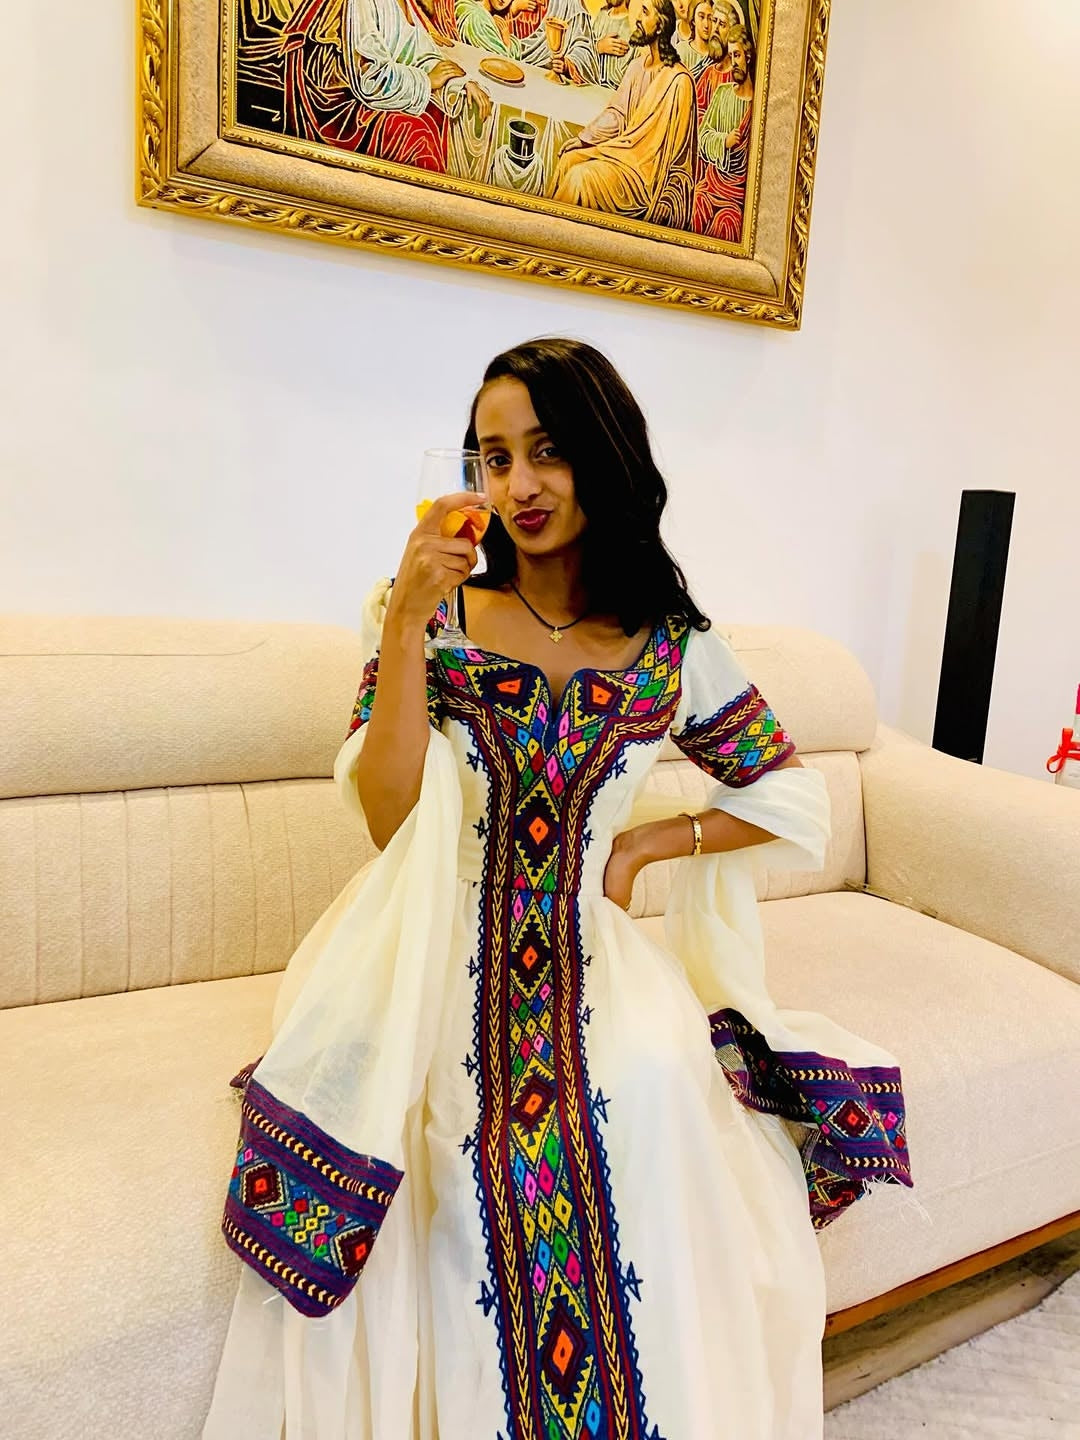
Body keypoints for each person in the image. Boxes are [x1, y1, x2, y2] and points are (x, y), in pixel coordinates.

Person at [202, 338, 913, 1440]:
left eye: (547, 452)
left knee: (647, 1088)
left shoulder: (669, 648)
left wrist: (640, 851)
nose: (518, 485)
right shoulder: (429, 617)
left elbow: (788, 796)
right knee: (447, 1131)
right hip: (435, 949)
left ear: (603, 455)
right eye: (493, 457)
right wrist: (400, 627)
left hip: (593, 964)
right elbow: (388, 815)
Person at [282, 0, 491, 168]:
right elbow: (369, 77)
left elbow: (421, 54)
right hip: (345, 108)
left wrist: (459, 82)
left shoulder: (405, 4)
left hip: (387, 90)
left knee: (446, 119)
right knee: (417, 137)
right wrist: (426, 80)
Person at [552, 0, 696, 231]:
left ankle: (558, 235)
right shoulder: (638, 67)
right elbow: (618, 115)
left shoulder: (679, 81)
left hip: (645, 176)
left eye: (645, 13)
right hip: (624, 155)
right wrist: (583, 139)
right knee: (568, 158)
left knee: (580, 177)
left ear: (660, 26)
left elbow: (680, 157)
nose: (637, 18)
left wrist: (666, 196)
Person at [693, 21, 753, 238]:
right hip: (713, 183)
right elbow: (703, 136)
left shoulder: (756, 108)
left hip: (736, 195)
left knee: (727, 222)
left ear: (748, 56)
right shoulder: (722, 93)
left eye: (737, 55)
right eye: (731, 55)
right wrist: (724, 141)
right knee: (698, 199)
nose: (733, 62)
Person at [592, 0, 632, 88]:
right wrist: (598, 47)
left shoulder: (632, 26)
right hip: (592, 86)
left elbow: (629, 76)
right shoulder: (602, 15)